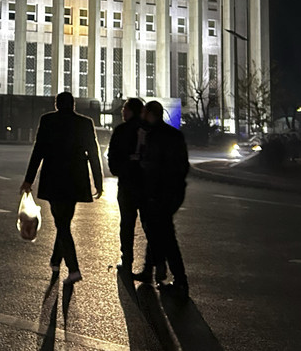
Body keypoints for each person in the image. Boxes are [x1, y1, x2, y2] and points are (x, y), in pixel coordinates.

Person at [21, 92, 103, 285]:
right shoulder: (85, 123)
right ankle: (56, 261)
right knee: (64, 221)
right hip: (76, 179)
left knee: (62, 223)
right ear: (73, 105)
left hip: (54, 178)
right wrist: (98, 182)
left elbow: (38, 151)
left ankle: (73, 269)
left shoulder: (48, 121)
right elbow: (93, 153)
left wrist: (28, 180)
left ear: (56, 104)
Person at [139, 100, 190, 297]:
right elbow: (183, 165)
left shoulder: (154, 136)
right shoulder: (174, 134)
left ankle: (178, 279)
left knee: (165, 235)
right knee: (158, 231)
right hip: (173, 191)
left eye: (145, 113)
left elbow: (152, 166)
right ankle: (153, 269)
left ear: (150, 114)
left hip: (159, 193)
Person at [106, 97, 154, 279]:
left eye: (125, 109)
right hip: (146, 184)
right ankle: (151, 267)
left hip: (127, 184)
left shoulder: (122, 130)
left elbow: (113, 156)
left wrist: (120, 170)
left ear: (131, 111)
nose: (122, 113)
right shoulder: (150, 130)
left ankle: (127, 261)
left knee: (127, 224)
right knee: (149, 226)